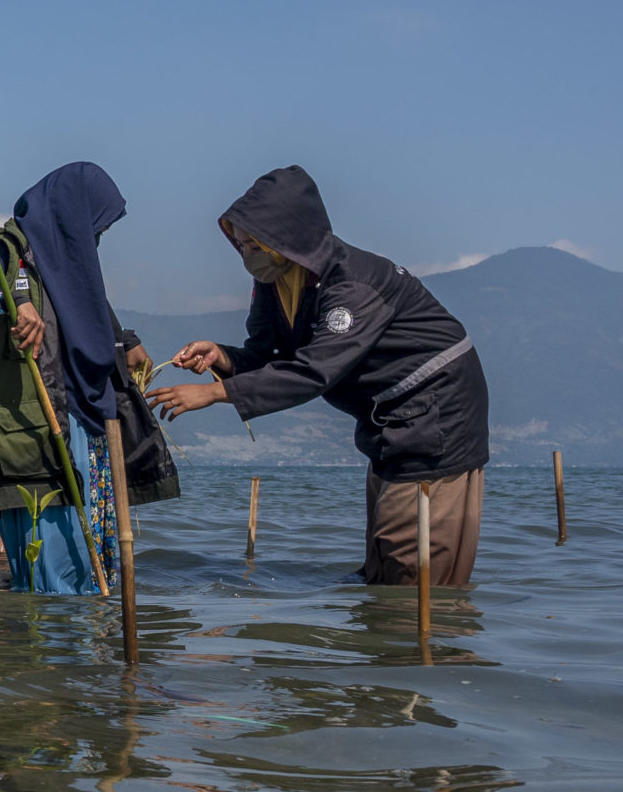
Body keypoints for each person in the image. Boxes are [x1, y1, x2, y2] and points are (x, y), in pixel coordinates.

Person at [147, 165, 490, 586]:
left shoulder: (352, 287)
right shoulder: (275, 283)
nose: (246, 254)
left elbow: (314, 371)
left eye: (255, 244)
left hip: (438, 411)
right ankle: (389, 642)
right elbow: (269, 354)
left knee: (412, 561)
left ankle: (427, 647)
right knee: (384, 558)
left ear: (287, 241)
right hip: (388, 422)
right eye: (240, 245)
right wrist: (222, 358)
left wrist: (216, 395)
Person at [0, 162, 150, 594]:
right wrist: (5, 304)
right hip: (38, 429)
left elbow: (91, 310)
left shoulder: (70, 264)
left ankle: (88, 654)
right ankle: (48, 654)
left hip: (87, 419)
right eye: (94, 224)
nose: (96, 237)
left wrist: (127, 342)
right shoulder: (6, 251)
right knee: (54, 569)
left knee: (93, 569)